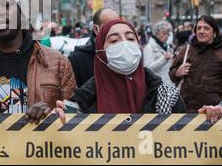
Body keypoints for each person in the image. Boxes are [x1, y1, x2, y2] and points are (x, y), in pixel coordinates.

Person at [51, 19, 186, 119]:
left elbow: (185, 142)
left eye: (130, 38)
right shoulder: (80, 104)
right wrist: (57, 120)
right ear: (101, 51)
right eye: (114, 41)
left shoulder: (168, 99)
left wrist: (205, 119)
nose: (125, 44)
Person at [170, 15, 222, 112]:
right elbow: (171, 75)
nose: (201, 31)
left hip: (212, 114)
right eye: (199, 28)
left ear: (214, 32)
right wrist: (177, 72)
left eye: (206, 28)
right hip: (185, 111)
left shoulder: (219, 52)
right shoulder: (186, 50)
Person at [68, 8, 120, 88]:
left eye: (119, 26)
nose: (116, 31)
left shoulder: (127, 55)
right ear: (96, 29)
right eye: (110, 26)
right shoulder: (77, 60)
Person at [143, 21, 174, 86]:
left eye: (168, 34)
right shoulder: (149, 47)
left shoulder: (164, 45)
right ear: (156, 33)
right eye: (164, 33)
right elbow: (148, 69)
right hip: (157, 86)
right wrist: (164, 59)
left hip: (166, 84)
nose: (166, 36)